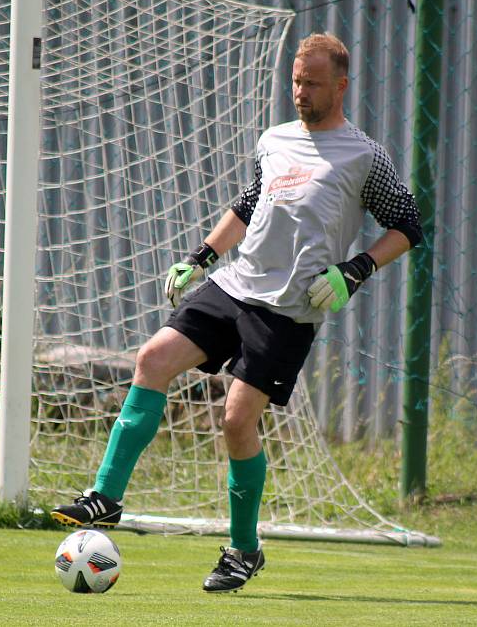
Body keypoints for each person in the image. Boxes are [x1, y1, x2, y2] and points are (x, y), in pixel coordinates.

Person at [51, 32, 422, 593]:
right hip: (236, 283)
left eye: (313, 83)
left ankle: (244, 551)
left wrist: (354, 271)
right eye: (296, 81)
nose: (301, 92)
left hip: (290, 307)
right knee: (152, 358)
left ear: (341, 86)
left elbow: (408, 227)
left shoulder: (364, 155)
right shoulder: (273, 140)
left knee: (235, 421)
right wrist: (200, 257)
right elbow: (249, 206)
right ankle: (106, 496)